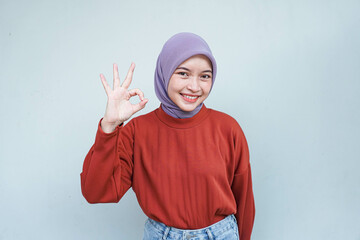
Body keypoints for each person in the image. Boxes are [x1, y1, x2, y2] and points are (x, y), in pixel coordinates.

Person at [81, 32, 255, 240]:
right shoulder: (137, 131)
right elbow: (96, 192)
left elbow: (244, 200)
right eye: (183, 73)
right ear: (165, 72)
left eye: (205, 76)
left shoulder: (228, 128)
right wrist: (109, 125)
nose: (194, 86)